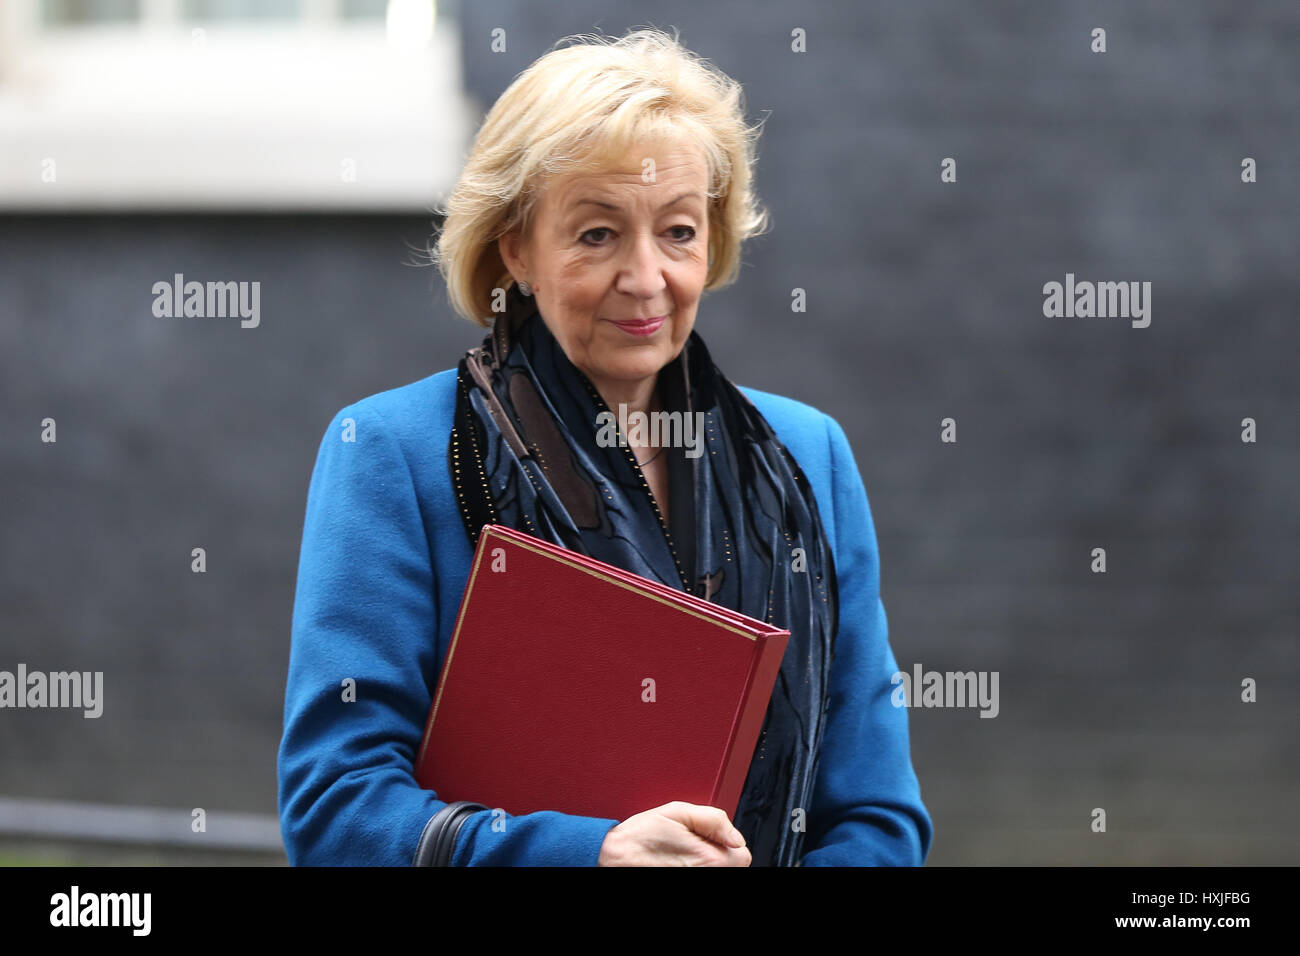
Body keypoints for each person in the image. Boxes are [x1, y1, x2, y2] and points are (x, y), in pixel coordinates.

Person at [278, 27, 932, 866]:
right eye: (597, 234)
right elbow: (335, 810)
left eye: (679, 231)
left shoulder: (812, 457)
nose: (647, 277)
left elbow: (878, 814)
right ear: (516, 247)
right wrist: (589, 855)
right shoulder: (394, 453)